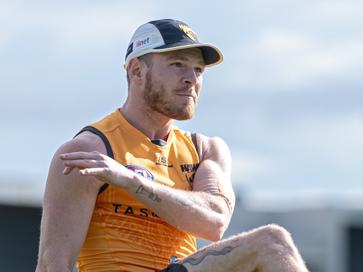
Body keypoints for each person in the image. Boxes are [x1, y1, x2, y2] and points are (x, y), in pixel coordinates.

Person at [36, 19, 309, 272]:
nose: (192, 79)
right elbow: (52, 264)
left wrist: (132, 182)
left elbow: (214, 222)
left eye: (199, 69)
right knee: (272, 241)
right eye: (178, 64)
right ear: (137, 70)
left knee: (274, 246)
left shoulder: (204, 149)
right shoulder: (89, 151)